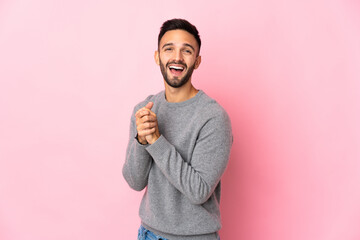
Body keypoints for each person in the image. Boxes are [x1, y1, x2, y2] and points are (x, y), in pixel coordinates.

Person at [122, 18, 233, 240]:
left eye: (187, 51)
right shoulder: (144, 110)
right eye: (169, 48)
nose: (177, 57)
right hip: (148, 234)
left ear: (197, 61)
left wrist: (156, 140)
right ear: (157, 57)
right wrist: (141, 141)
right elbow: (134, 181)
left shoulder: (213, 117)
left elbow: (199, 191)